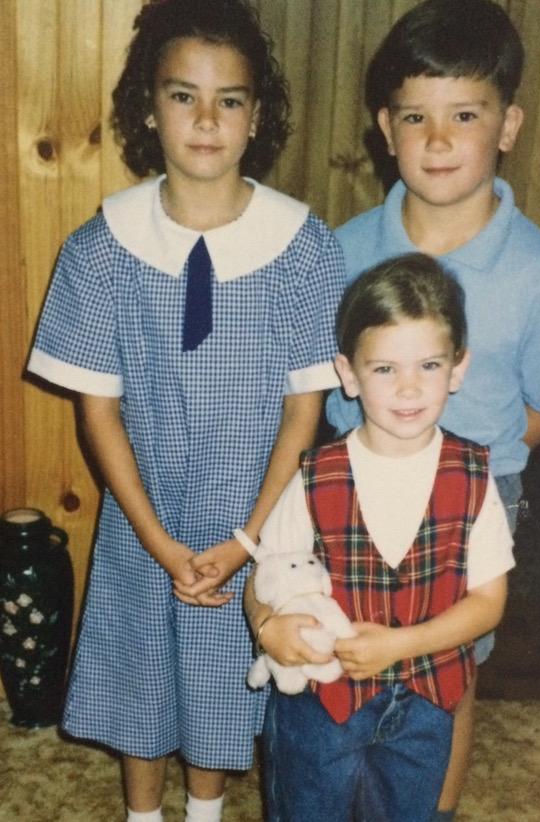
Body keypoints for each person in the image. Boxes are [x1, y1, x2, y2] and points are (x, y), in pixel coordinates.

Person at [27, 2, 345, 821]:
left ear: (258, 114)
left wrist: (245, 537)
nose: (206, 120)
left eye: (229, 99)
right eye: (182, 96)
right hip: (149, 516)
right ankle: (143, 814)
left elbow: (304, 407)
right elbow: (98, 413)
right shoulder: (100, 248)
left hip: (255, 513)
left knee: (217, 665)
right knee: (141, 659)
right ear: (146, 106)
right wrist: (161, 540)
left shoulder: (303, 246)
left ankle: (204, 810)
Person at [325, 1, 540, 818]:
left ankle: (431, 809)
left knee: (446, 670)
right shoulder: (341, 251)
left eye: (464, 114)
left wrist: (470, 469)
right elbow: (314, 382)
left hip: (473, 500)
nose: (438, 139)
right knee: (350, 650)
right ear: (384, 128)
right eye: (415, 116)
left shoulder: (539, 274)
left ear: (507, 125)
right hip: (350, 490)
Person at [244, 254, 515, 822]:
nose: (409, 387)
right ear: (349, 374)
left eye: (430, 365)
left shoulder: (471, 475)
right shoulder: (317, 474)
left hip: (426, 704)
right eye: (385, 369)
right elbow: (265, 575)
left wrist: (400, 645)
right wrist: (268, 629)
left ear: (458, 369)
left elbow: (488, 604)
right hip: (322, 703)